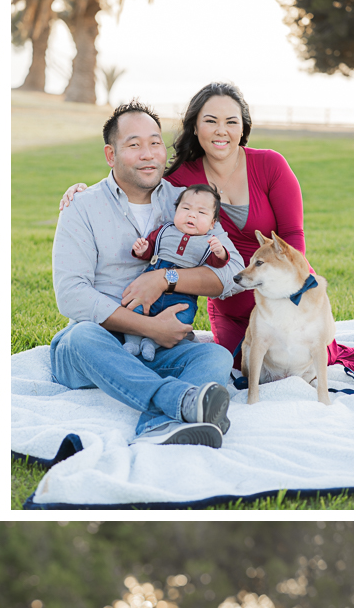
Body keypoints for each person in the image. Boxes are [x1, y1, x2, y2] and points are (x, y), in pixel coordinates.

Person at [64, 82, 352, 373]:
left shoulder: (271, 165)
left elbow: (293, 237)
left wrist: (281, 291)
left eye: (231, 122)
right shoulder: (181, 182)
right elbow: (136, 177)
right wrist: (83, 193)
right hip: (230, 301)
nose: (220, 130)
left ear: (243, 128)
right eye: (210, 121)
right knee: (243, 367)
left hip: (287, 292)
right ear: (195, 128)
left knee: (305, 361)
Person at [52, 101, 244, 448]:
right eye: (134, 144)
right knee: (80, 337)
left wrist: (167, 279)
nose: (149, 154)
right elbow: (71, 294)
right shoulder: (82, 207)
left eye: (155, 143)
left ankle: (160, 425)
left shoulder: (186, 202)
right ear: (111, 155)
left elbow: (232, 271)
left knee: (217, 356)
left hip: (162, 345)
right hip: (99, 342)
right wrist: (149, 326)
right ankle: (180, 402)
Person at [126, 183, 229, 360]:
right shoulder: (164, 231)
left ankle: (153, 342)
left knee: (185, 316)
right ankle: (133, 342)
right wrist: (141, 250)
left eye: (201, 212)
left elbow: (218, 264)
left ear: (212, 223)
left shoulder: (208, 242)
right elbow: (150, 250)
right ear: (176, 212)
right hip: (150, 287)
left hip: (181, 295)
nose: (192, 214)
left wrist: (220, 252)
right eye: (186, 208)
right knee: (133, 308)